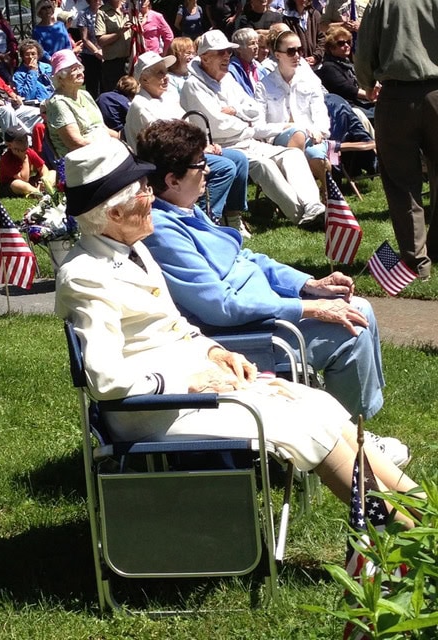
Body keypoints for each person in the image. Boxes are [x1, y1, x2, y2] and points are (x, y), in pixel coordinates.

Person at [54, 136, 416, 515]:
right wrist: (187, 382)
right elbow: (105, 379)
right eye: (144, 190)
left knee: (318, 404)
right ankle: (393, 532)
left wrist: (215, 351)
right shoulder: (85, 275)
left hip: (193, 386)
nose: (152, 195)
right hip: (154, 412)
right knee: (305, 425)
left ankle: (421, 514)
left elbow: (173, 324)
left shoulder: (135, 250)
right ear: (114, 213)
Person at [136, 119, 394, 430]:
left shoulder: (186, 208)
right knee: (350, 330)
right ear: (172, 180)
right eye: (199, 163)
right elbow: (219, 306)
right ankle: (345, 437)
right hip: (239, 337)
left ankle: (352, 428)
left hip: (263, 314)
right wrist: (309, 307)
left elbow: (246, 256)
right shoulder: (164, 232)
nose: (208, 170)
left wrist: (309, 284)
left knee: (357, 307)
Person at [180, 29, 325, 229]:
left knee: (292, 155)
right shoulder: (193, 86)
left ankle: (313, 207)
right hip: (223, 147)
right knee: (265, 166)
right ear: (205, 57)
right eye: (220, 52)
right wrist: (244, 121)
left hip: (247, 140)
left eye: (228, 52)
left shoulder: (227, 79)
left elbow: (254, 110)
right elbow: (219, 126)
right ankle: (301, 217)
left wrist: (236, 111)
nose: (226, 57)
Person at [125, 50, 251, 235]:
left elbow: (186, 126)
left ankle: (232, 216)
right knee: (225, 167)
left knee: (239, 159)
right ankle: (208, 217)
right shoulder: (141, 105)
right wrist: (200, 150)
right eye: (159, 73)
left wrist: (205, 145)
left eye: (166, 72)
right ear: (144, 80)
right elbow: (164, 145)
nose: (166, 77)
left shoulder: (168, 97)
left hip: (186, 151)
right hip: (164, 162)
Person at [354, 0, 437, 280]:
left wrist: (366, 83)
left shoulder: (382, 2)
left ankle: (417, 262)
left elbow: (363, 50)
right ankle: (433, 249)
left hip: (396, 96)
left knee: (402, 182)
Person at [254, 29, 330, 182]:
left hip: (312, 136)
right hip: (277, 141)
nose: (297, 55)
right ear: (277, 55)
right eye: (291, 51)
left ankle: (326, 199)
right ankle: (304, 195)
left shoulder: (310, 81)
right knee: (297, 133)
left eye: (299, 50)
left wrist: (319, 131)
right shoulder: (264, 86)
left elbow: (320, 113)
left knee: (318, 158)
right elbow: (258, 127)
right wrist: (287, 127)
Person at [46, 48, 119, 157]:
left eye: (80, 68)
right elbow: (76, 143)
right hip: (81, 159)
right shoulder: (59, 103)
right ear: (60, 78)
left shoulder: (85, 94)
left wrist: (123, 138)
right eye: (74, 70)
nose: (80, 73)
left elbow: (102, 128)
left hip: (103, 150)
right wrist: (108, 146)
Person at [316, 25, 375, 121]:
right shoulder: (329, 67)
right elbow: (347, 89)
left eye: (348, 42)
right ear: (331, 47)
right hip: (347, 107)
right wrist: (370, 95)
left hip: (359, 102)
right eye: (341, 43)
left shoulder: (348, 63)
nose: (346, 45)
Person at [0, 124, 56, 198]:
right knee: (17, 184)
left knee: (53, 173)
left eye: (25, 138)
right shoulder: (6, 158)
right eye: (20, 140)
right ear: (9, 145)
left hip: (29, 183)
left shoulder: (29, 151)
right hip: (10, 186)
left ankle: (40, 190)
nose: (25, 142)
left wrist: (44, 179)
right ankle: (39, 193)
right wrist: (24, 158)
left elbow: (42, 168)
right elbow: (23, 179)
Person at [95, 0, 131, 92]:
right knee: (114, 95)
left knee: (131, 94)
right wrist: (119, 33)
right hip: (112, 64)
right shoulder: (102, 12)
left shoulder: (130, 7)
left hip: (130, 61)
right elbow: (101, 41)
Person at [281, 0, 324, 68]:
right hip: (297, 65)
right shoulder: (286, 19)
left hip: (316, 65)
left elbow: (322, 38)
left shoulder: (315, 15)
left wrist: (315, 56)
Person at [229, 28, 266, 97]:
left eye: (257, 43)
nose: (256, 47)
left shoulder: (259, 68)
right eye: (252, 43)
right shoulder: (231, 71)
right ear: (239, 48)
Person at [76, 0, 102, 99]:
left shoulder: (106, 12)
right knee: (93, 85)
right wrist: (96, 51)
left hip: (107, 53)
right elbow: (84, 38)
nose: (98, 1)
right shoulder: (84, 14)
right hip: (91, 55)